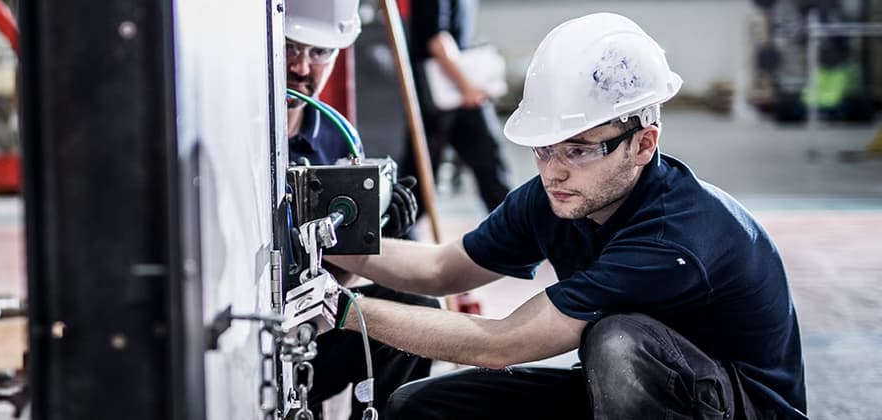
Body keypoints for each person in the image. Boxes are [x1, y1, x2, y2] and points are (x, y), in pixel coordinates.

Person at [325, 13, 807, 419]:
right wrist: (327, 241)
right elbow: (441, 270)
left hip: (735, 408)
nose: (553, 172)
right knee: (420, 405)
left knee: (617, 343)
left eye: (578, 150)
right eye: (543, 148)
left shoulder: (674, 236)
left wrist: (344, 309)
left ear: (643, 144)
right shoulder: (557, 195)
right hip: (629, 396)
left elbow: (503, 345)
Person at [281, 0, 437, 418]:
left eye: (319, 53)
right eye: (290, 47)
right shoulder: (237, 133)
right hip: (255, 329)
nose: (301, 68)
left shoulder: (335, 138)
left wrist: (378, 229)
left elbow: (342, 272)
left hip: (311, 331)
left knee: (416, 311)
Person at [399, 0, 511, 221]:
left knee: (418, 181)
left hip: (453, 95)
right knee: (489, 172)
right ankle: (519, 239)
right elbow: (437, 41)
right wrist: (467, 87)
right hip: (445, 94)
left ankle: (518, 238)